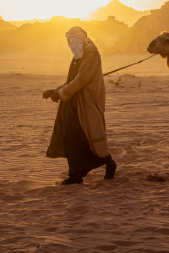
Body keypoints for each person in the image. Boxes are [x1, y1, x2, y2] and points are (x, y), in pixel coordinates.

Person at [42, 26, 117, 185]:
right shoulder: (79, 55)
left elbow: (82, 79)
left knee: (90, 137)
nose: (69, 44)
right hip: (73, 103)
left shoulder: (90, 53)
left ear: (79, 40)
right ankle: (75, 174)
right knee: (71, 138)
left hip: (85, 103)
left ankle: (109, 164)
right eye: (68, 41)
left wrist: (61, 94)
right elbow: (72, 81)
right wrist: (54, 91)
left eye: (71, 40)